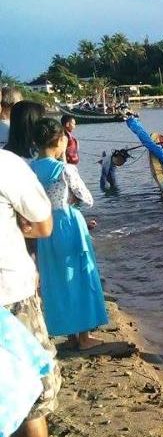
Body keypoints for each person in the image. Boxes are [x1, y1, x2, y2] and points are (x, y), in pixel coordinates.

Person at [29, 118, 108, 350]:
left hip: (44, 226)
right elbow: (88, 199)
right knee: (79, 277)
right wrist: (73, 199)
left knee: (57, 279)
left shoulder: (30, 168)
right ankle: (84, 338)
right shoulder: (64, 169)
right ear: (60, 141)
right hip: (67, 223)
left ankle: (70, 333)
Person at [0, 148, 61, 437]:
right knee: (34, 394)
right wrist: (20, 228)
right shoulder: (7, 165)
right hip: (9, 295)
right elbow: (43, 225)